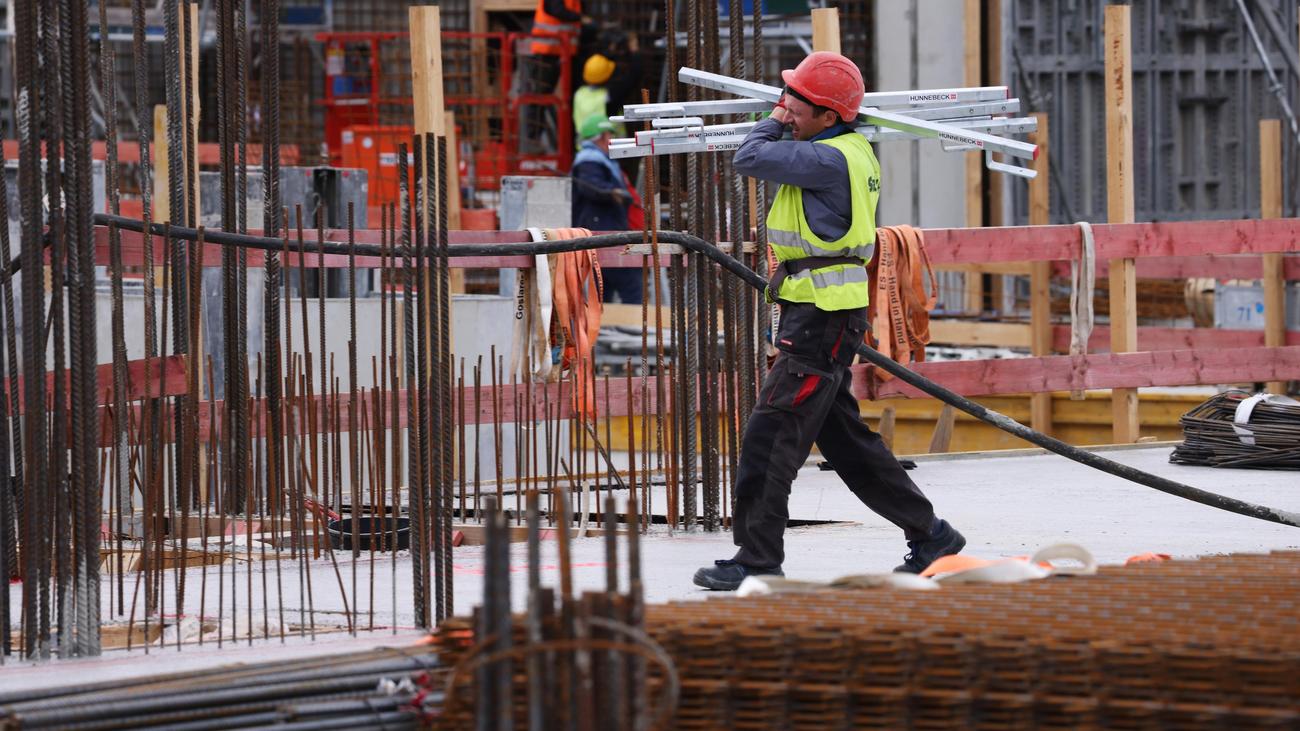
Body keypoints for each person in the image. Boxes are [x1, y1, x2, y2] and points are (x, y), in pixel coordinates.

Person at [691, 52, 965, 591]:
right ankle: (931, 535)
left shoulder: (826, 160)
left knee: (770, 437)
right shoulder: (843, 148)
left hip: (819, 321)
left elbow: (749, 155)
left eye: (798, 101)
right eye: (787, 97)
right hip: (822, 314)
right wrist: (789, 113)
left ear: (829, 115)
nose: (788, 108)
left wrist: (772, 118)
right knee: (846, 443)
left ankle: (758, 557)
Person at [570, 114, 642, 303]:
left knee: (603, 288)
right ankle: (634, 327)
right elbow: (591, 187)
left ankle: (604, 327)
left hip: (607, 232)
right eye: (610, 135)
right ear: (600, 137)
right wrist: (613, 192)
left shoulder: (603, 160)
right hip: (603, 233)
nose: (613, 140)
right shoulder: (589, 160)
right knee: (630, 284)